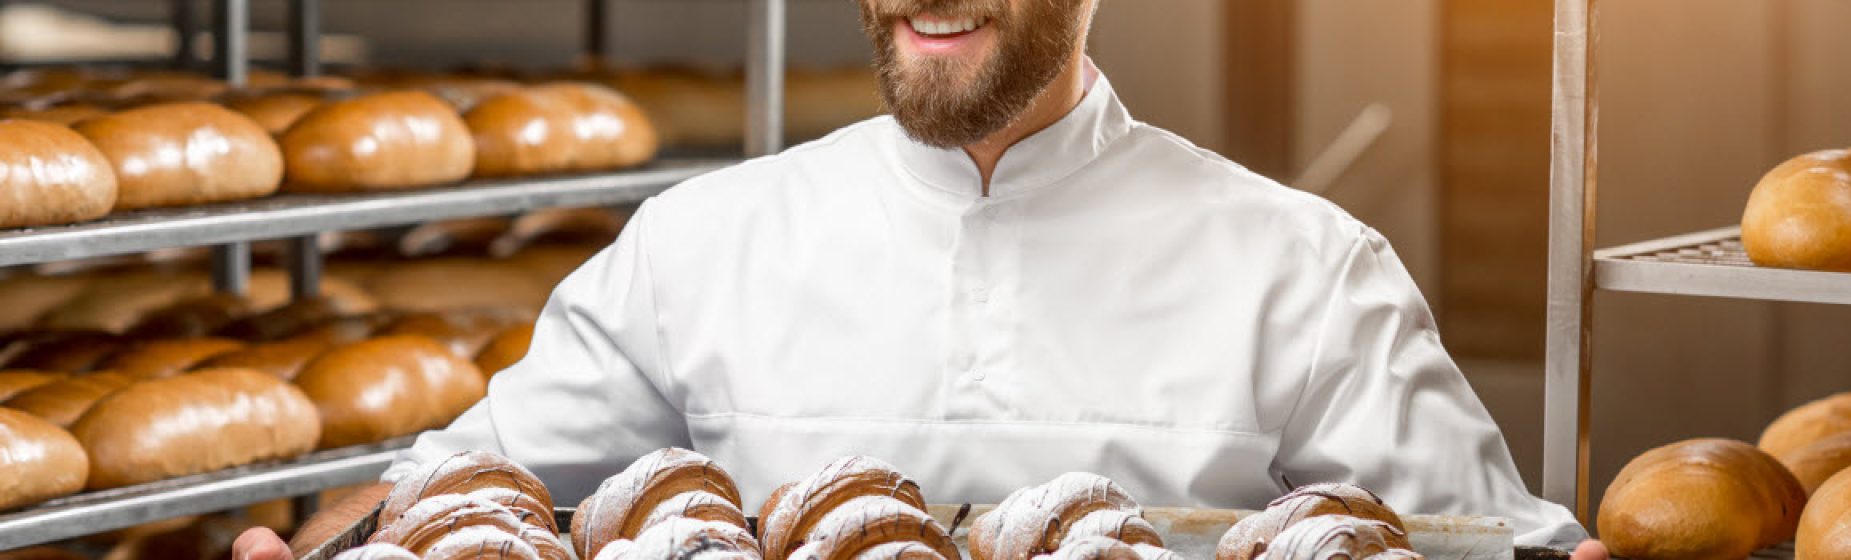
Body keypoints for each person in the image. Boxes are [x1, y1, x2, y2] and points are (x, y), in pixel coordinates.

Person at [236, 0, 1608, 558]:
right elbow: (460, 493)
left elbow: (1482, 543)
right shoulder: (705, 243)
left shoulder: (1302, 270)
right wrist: (314, 548)